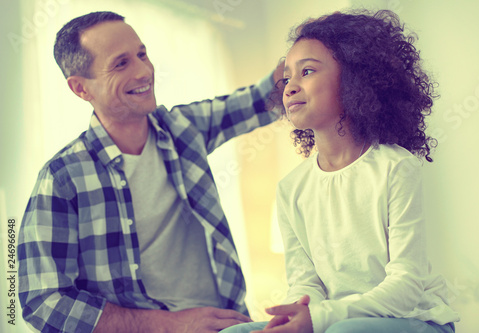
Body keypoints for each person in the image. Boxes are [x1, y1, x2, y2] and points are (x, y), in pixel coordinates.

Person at [18, 11, 283, 333]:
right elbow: (43, 302)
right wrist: (169, 324)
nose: (144, 71)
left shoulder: (183, 129)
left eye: (142, 54)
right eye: (121, 63)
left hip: (226, 324)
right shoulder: (62, 179)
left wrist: (309, 52)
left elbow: (262, 100)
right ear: (81, 89)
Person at [221, 9, 460, 333]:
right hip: (334, 323)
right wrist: (298, 316)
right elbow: (306, 283)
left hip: (415, 319)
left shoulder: (396, 168)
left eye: (307, 71)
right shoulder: (291, 188)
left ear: (353, 81)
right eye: (287, 77)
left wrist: (321, 320)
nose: (290, 87)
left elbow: (406, 287)